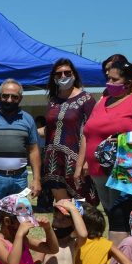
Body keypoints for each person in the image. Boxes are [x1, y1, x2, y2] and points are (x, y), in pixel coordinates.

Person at [77, 58, 132, 245]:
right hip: (100, 170)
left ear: (128, 82)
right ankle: (125, 256)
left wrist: (125, 138)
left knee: (117, 214)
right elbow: (88, 131)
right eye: (108, 79)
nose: (109, 83)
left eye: (114, 80)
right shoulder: (103, 100)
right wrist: (83, 163)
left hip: (127, 167)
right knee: (113, 214)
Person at [0, 79, 42, 243]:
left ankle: (18, 254)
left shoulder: (27, 119)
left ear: (20, 98)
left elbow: (33, 150)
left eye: (14, 97)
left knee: (20, 219)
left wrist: (36, 179)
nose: (9, 100)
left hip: (19, 178)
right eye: (5, 96)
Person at [42, 58, 95, 202]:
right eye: (59, 74)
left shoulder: (86, 99)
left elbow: (92, 132)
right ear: (54, 78)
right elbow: (50, 129)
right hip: (53, 161)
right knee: (62, 207)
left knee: (84, 207)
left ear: (74, 75)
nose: (63, 76)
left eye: (67, 73)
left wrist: (87, 161)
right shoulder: (52, 101)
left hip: (77, 160)